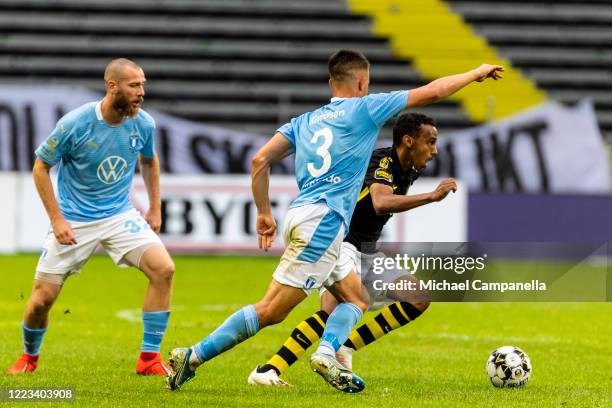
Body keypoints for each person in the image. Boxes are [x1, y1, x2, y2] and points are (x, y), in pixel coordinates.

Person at [166, 49, 502, 393]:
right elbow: (433, 91)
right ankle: (192, 355)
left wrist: (264, 212)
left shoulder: (303, 122)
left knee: (356, 299)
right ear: (362, 82)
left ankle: (327, 352)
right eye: (367, 85)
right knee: (271, 310)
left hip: (302, 215)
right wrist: (475, 72)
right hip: (324, 222)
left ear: (331, 83)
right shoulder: (365, 109)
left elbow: (259, 160)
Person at [247, 112, 456, 386]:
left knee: (417, 297)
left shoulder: (410, 169)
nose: (434, 150)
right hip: (341, 245)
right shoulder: (382, 161)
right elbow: (380, 202)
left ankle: (346, 347)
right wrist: (431, 197)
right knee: (331, 313)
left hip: (367, 251)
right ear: (408, 141)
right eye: (430, 142)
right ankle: (269, 370)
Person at [7, 58, 175, 377]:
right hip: (75, 219)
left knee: (164, 269)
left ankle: (149, 359)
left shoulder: (144, 123)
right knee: (42, 300)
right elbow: (41, 167)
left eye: (143, 85)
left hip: (119, 214)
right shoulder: (76, 123)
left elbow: (149, 161)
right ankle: (29, 356)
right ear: (112, 87)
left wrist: (155, 207)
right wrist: (57, 220)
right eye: (134, 85)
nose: (142, 92)